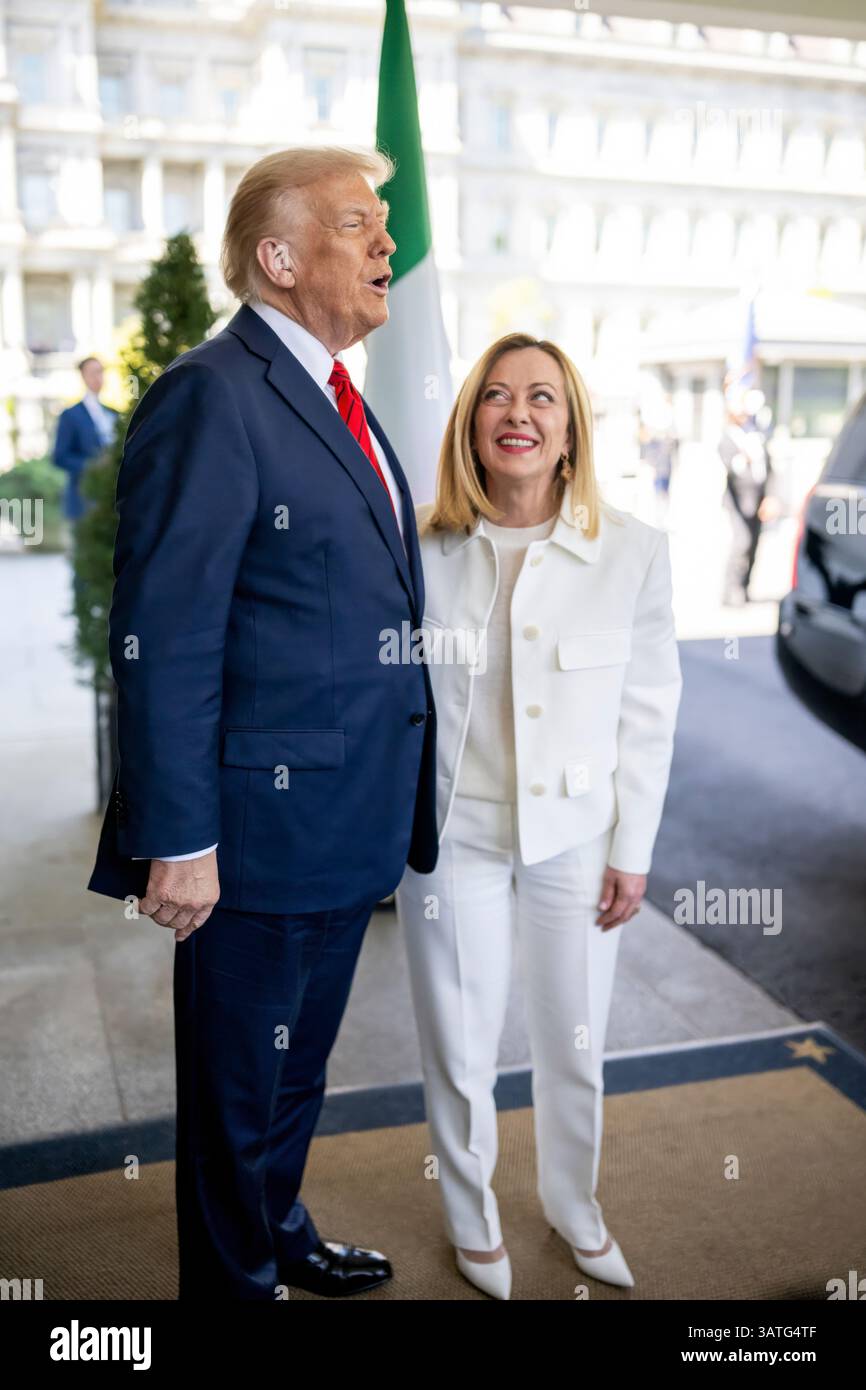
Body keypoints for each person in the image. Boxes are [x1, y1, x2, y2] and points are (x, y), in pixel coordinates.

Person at [87, 146, 439, 1300]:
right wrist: (177, 838)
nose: (387, 244)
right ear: (280, 259)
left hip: (344, 826)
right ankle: (233, 1284)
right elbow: (164, 635)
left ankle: (277, 1230)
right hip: (250, 843)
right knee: (236, 1096)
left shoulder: (342, 396)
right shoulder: (213, 390)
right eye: (357, 225)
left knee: (296, 1079)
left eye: (383, 223)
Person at [395, 332, 682, 1299]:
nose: (519, 414)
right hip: (453, 834)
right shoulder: (421, 548)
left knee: (575, 1042)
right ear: (471, 425)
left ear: (571, 433)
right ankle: (474, 1223)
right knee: (459, 1042)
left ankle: (574, 1208)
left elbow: (649, 713)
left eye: (543, 400)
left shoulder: (633, 551)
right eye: (497, 397)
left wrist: (632, 851)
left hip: (577, 837)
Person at [717, 389, 774, 605]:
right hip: (738, 501)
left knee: (754, 543)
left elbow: (770, 467)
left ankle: (745, 587)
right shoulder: (728, 437)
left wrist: (770, 497)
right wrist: (744, 458)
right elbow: (731, 467)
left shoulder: (756, 434)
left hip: (758, 498)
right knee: (741, 542)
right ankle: (730, 591)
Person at [52, 356, 119, 521]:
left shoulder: (113, 413)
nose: (98, 377)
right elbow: (59, 457)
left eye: (101, 372)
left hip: (112, 497)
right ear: (83, 376)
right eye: (93, 373)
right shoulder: (70, 415)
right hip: (83, 497)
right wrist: (92, 465)